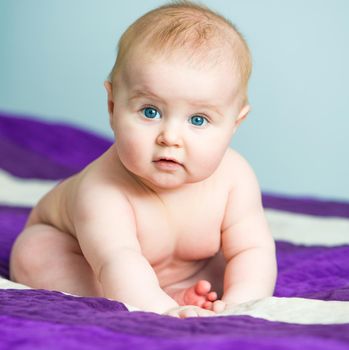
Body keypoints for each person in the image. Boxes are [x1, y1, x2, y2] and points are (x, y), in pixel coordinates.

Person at [9, 1, 277, 318]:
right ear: (112, 106)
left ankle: (176, 292)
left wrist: (239, 305)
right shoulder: (103, 189)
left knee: (233, 266)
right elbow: (117, 258)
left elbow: (253, 250)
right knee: (35, 254)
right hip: (87, 258)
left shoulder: (235, 178)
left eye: (199, 120)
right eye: (150, 112)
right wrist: (161, 310)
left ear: (235, 122)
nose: (170, 137)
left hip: (177, 269)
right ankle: (151, 297)